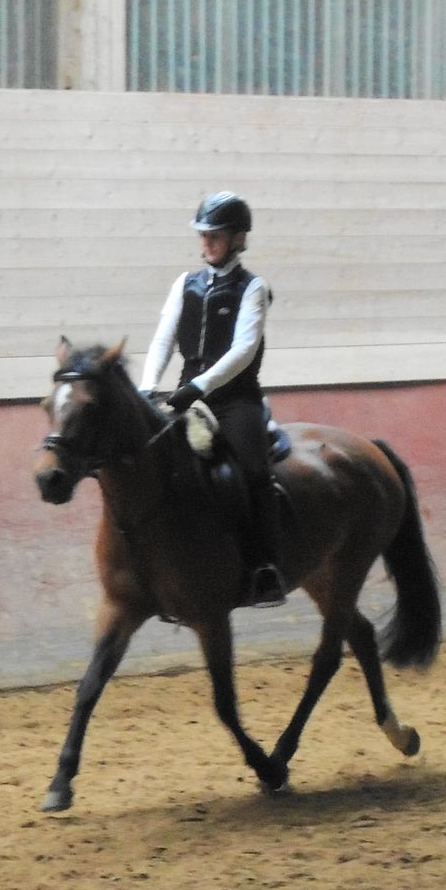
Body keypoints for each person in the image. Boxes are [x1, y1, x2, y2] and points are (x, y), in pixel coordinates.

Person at [137, 190, 286, 608]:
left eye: (215, 235)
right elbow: (163, 339)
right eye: (203, 235)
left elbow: (244, 350)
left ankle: (265, 567)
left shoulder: (253, 288)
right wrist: (148, 386)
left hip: (235, 400)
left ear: (238, 239)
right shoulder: (184, 284)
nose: (206, 243)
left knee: (254, 472)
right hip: (185, 397)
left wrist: (198, 387)